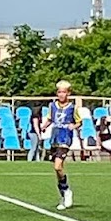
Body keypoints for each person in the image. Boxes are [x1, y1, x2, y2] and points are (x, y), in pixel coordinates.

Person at [41, 81, 81, 210]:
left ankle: (67, 191)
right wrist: (44, 126)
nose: (61, 94)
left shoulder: (72, 107)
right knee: (57, 170)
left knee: (58, 166)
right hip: (55, 138)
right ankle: (64, 194)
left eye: (64, 92)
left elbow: (79, 122)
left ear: (68, 93)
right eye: (59, 92)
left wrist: (73, 126)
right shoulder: (52, 106)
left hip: (65, 138)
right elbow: (50, 118)